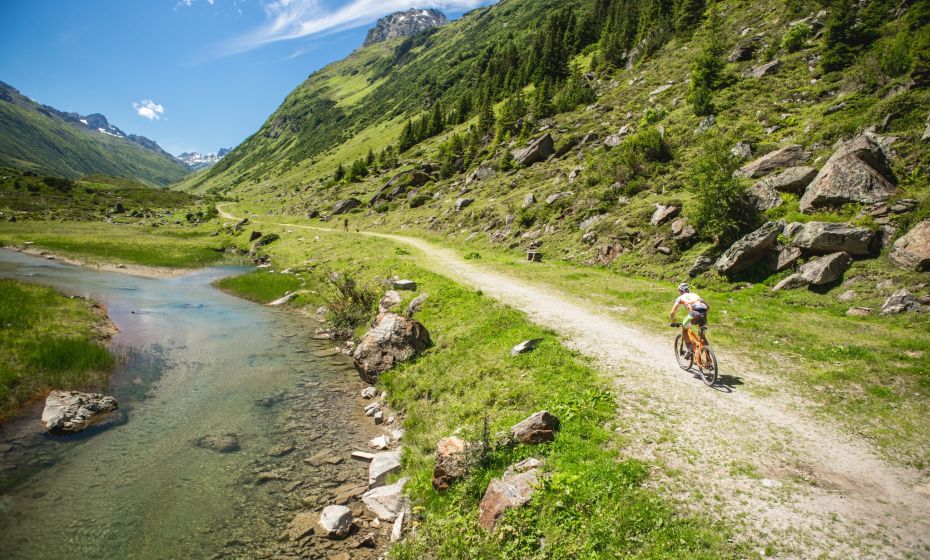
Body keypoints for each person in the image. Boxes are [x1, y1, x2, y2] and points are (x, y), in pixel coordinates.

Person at [669, 282, 709, 359]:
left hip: (693, 314)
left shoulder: (680, 297)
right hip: (704, 314)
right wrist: (703, 315)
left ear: (680, 291)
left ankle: (689, 350)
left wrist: (673, 322)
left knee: (684, 330)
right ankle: (708, 359)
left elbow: (672, 312)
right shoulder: (695, 295)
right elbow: (708, 307)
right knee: (702, 337)